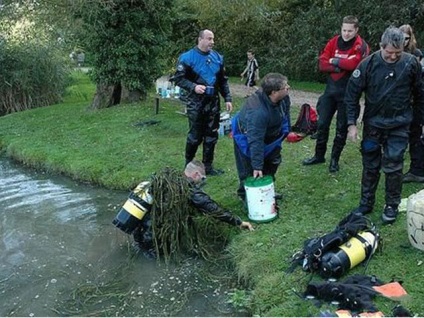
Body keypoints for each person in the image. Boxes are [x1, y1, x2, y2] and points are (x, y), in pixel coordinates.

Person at [345, 26, 424, 224]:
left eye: (397, 53)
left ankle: (392, 204)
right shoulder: (368, 64)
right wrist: (351, 124)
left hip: (400, 123)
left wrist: (420, 122)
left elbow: (420, 94)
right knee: (370, 164)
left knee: (394, 163)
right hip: (373, 124)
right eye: (389, 52)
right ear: (381, 46)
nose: (392, 57)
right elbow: (352, 95)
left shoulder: (411, 63)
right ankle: (366, 202)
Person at [114, 159, 253, 259]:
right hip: (154, 238)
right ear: (196, 175)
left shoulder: (166, 182)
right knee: (156, 261)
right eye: (202, 178)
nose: (202, 181)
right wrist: (238, 222)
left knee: (141, 252)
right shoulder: (188, 191)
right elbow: (213, 208)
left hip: (138, 230)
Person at [303, 16, 369, 173]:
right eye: (344, 30)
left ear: (356, 30)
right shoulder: (333, 42)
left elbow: (355, 64)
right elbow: (322, 63)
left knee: (341, 128)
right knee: (322, 124)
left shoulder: (361, 45)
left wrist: (334, 61)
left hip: (348, 94)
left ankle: (334, 160)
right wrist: (340, 66)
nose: (346, 34)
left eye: (349, 31)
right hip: (330, 92)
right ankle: (319, 155)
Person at [172, 29, 233, 176]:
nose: (212, 42)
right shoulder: (187, 57)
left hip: (213, 102)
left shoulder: (218, 57)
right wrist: (194, 87)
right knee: (195, 136)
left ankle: (208, 166)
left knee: (212, 135)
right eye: (209, 39)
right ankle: (188, 165)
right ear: (200, 39)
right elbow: (178, 78)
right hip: (196, 102)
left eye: (213, 39)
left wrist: (228, 98)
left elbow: (223, 81)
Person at [232, 73, 290, 201]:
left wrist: (285, 131)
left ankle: (267, 190)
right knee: (249, 171)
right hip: (247, 138)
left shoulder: (283, 97)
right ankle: (246, 196)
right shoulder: (258, 112)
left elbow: (286, 114)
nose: (288, 88)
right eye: (285, 87)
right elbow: (255, 141)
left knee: (272, 163)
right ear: (274, 92)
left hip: (271, 136)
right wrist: (257, 166)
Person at [399, 24, 424, 183]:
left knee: (415, 135)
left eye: (406, 38)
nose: (404, 41)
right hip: (402, 100)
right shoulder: (394, 52)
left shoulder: (416, 54)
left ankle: (417, 170)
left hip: (415, 100)